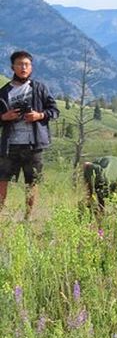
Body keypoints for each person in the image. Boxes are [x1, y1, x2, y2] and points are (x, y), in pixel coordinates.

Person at [0, 50, 59, 221]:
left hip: (34, 145)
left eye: (26, 64)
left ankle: (28, 218)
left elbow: (54, 111)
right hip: (9, 145)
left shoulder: (40, 88)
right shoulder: (3, 92)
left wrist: (39, 116)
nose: (23, 67)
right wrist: (4, 117)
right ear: (13, 67)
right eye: (20, 64)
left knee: (32, 182)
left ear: (31, 67)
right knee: (2, 180)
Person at [82, 155, 117, 222]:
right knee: (96, 196)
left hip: (116, 174)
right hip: (105, 171)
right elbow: (86, 165)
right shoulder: (103, 175)